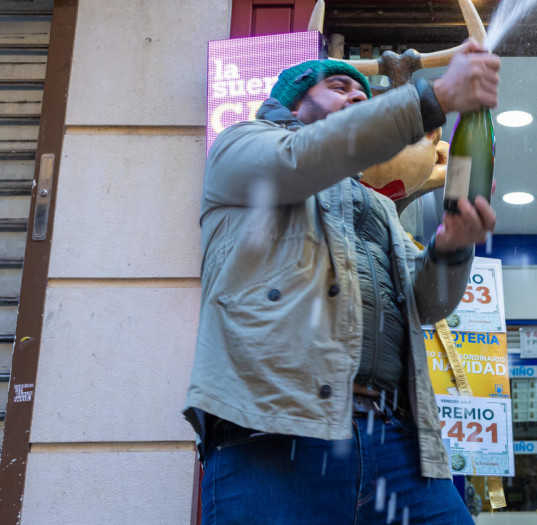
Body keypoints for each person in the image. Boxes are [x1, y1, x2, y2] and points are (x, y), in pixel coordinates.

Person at [184, 40, 500, 524]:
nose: (358, 97)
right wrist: (433, 97)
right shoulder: (240, 146)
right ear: (290, 101)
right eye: (338, 87)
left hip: (393, 443)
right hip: (270, 438)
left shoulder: (375, 205)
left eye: (362, 92)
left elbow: (425, 305)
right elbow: (301, 157)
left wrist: (451, 246)